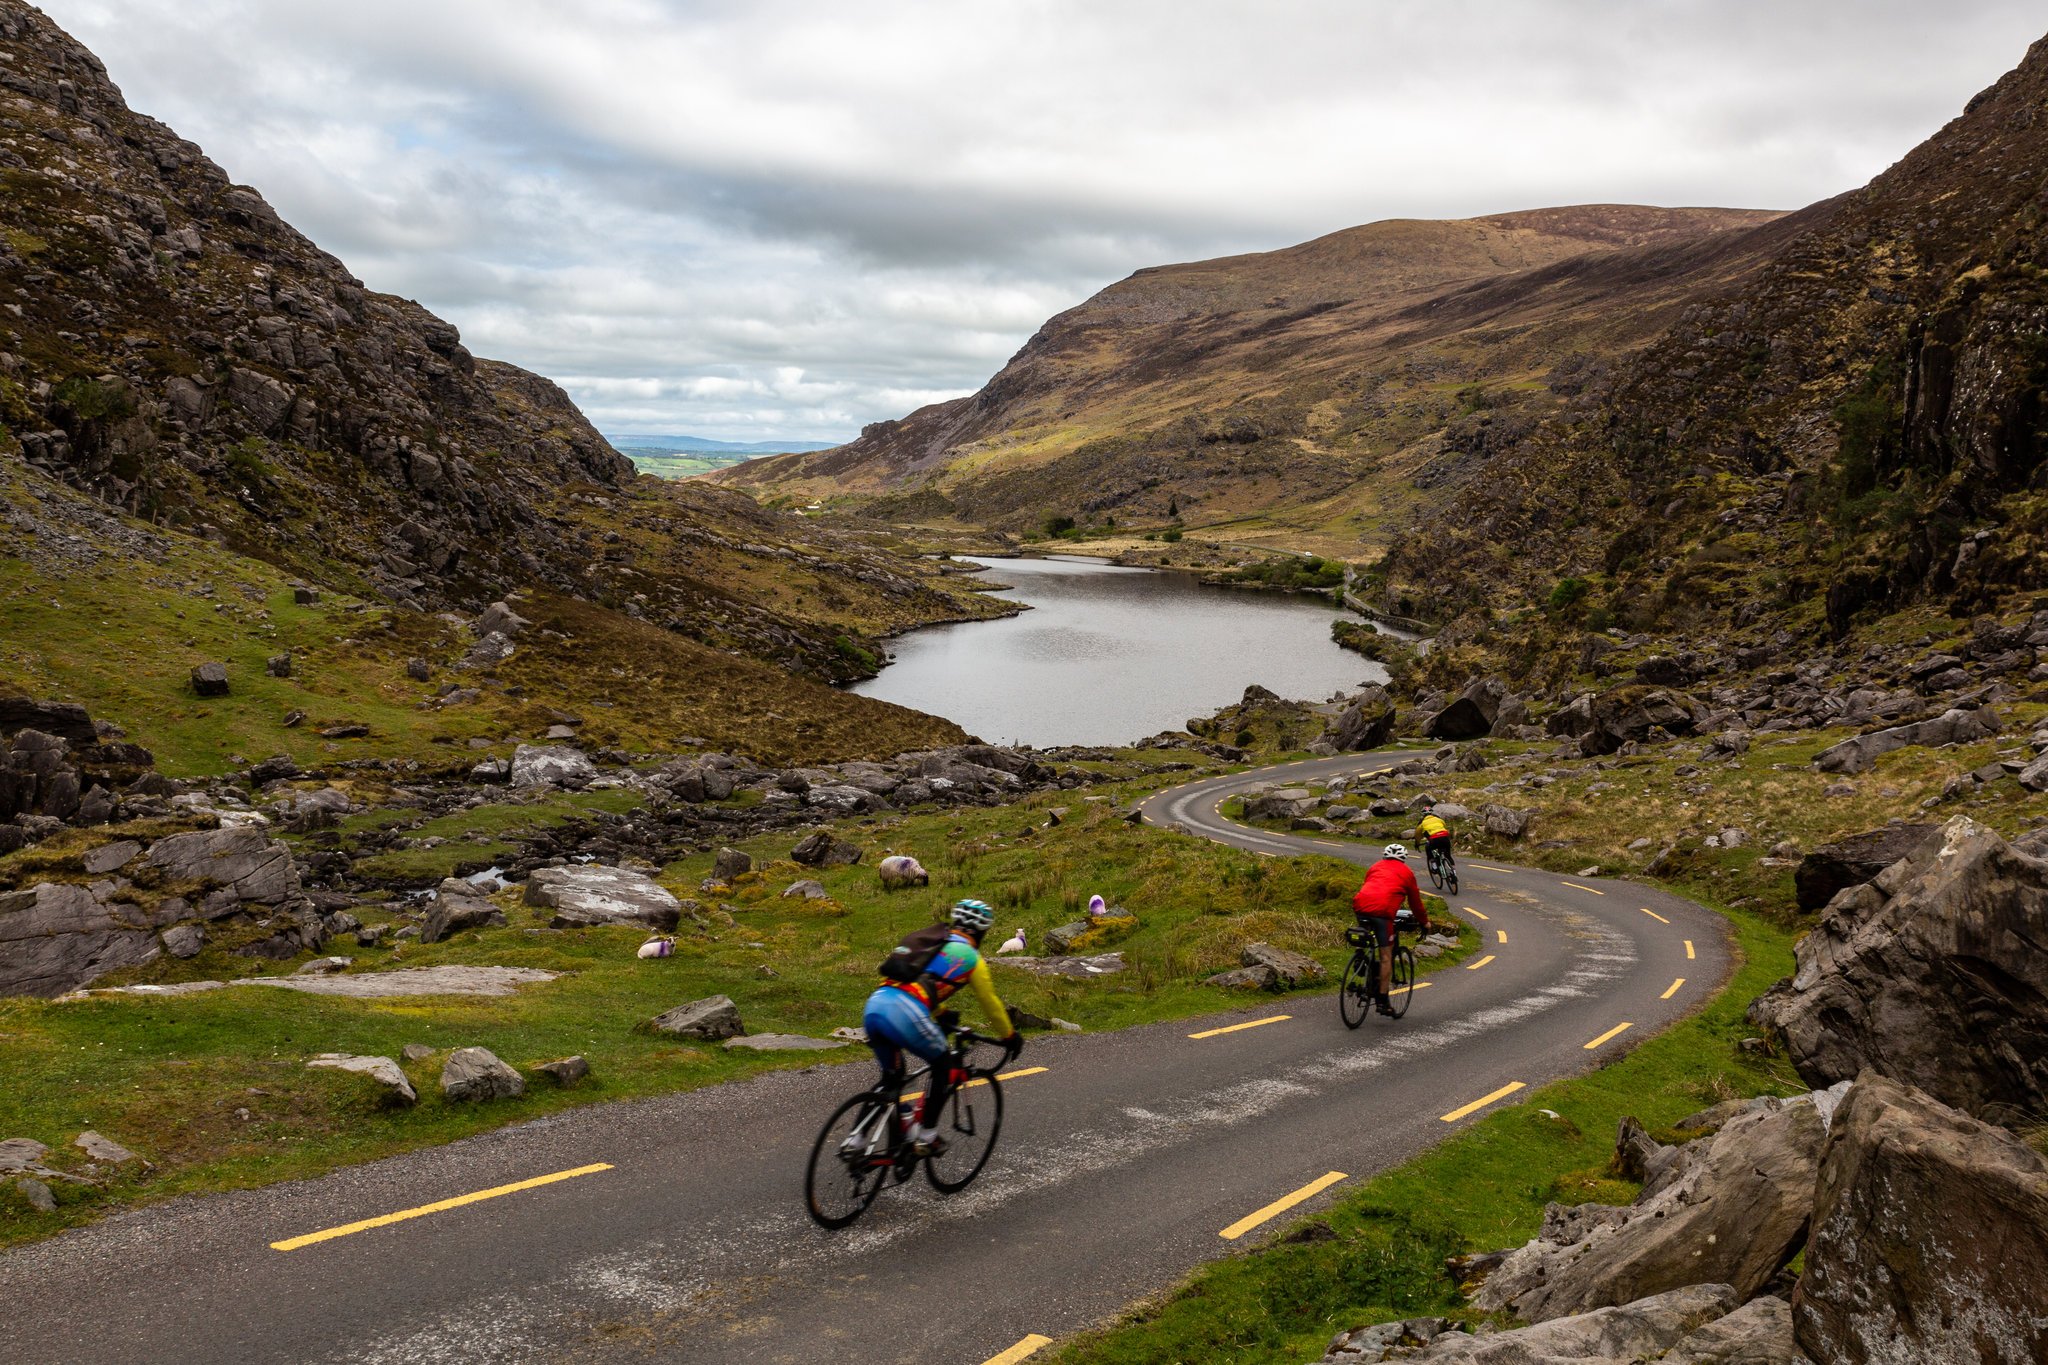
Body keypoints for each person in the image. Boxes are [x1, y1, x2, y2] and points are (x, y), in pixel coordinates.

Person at [861, 899, 1022, 1155]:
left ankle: (856, 1140)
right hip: (905, 1011)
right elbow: (990, 1003)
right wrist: (1009, 1035)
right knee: (943, 1065)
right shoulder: (972, 958)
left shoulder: (931, 943)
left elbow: (920, 982)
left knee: (892, 1078)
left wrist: (941, 1013)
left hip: (875, 1005)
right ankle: (926, 1137)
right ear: (982, 932)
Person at [1352, 844, 1431, 1016]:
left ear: (1384, 856)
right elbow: (1415, 902)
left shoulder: (1374, 867)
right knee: (1386, 956)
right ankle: (1382, 1001)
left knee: (1364, 934)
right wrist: (1424, 922)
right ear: (1404, 858)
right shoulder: (1407, 872)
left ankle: (1360, 956)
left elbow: (1370, 887)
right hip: (1383, 912)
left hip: (1360, 905)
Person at [1417, 804, 1454, 878]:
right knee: (1448, 855)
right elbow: (1444, 826)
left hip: (1434, 839)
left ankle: (1434, 866)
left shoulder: (1422, 822)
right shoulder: (1438, 819)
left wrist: (1417, 843)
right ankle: (1454, 873)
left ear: (1423, 814)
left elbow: (1418, 834)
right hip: (1445, 837)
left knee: (1428, 849)